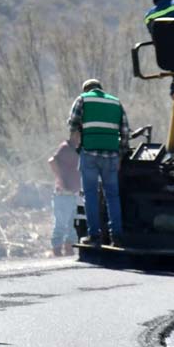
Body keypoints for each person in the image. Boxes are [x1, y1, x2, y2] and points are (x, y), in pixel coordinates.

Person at [68, 79, 130, 247]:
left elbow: (73, 124)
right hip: (111, 156)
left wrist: (77, 144)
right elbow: (125, 132)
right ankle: (117, 237)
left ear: (86, 89)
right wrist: (120, 156)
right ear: (101, 89)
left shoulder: (83, 99)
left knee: (90, 195)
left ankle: (94, 236)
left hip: (89, 153)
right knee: (112, 196)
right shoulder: (115, 102)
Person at [48, 138, 81, 256]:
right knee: (61, 223)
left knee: (71, 224)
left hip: (72, 194)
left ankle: (69, 249)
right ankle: (57, 249)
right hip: (63, 194)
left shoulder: (76, 149)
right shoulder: (66, 147)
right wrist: (60, 179)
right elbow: (52, 161)